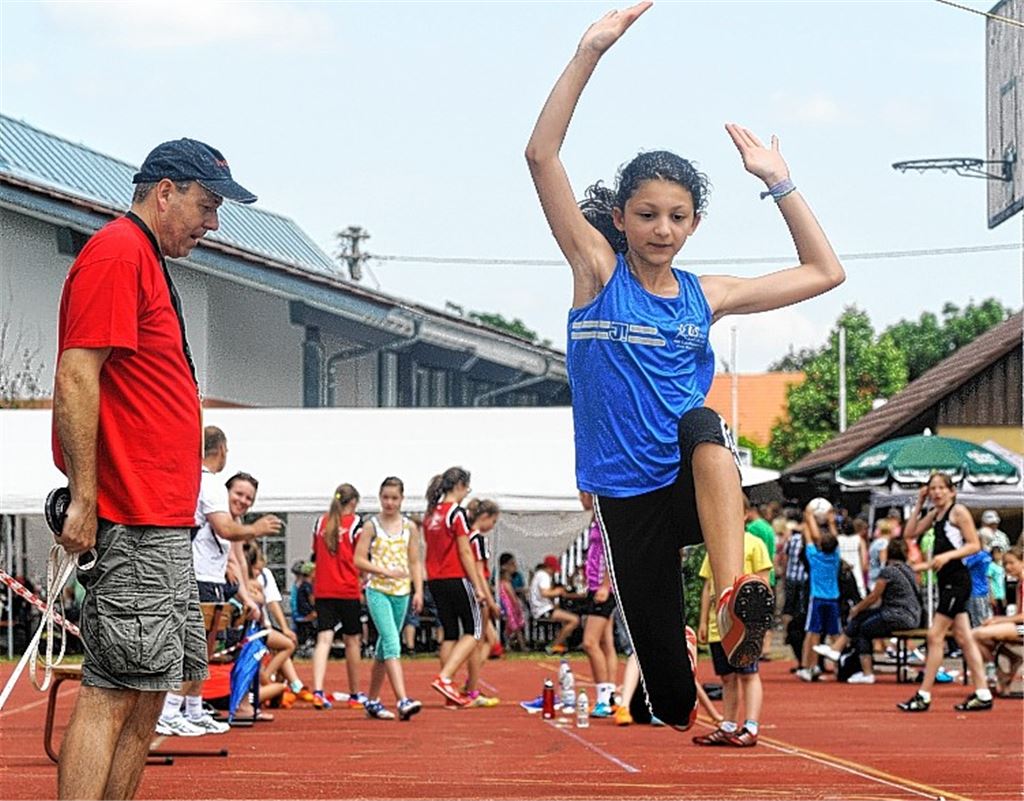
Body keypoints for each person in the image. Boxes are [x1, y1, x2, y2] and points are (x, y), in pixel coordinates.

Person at [525, 1, 844, 729]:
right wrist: (590, 51)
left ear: (694, 221)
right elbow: (541, 157)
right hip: (626, 501)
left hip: (688, 482)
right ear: (621, 219)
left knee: (703, 422)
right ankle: (682, 676)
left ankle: (735, 599)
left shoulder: (709, 295)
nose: (661, 229)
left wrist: (779, 180)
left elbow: (824, 271)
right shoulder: (597, 274)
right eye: (646, 214)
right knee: (671, 705)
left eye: (676, 215)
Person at [51, 137, 256, 799]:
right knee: (113, 690)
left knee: (145, 696)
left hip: (161, 520)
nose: (213, 222)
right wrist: (86, 496)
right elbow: (78, 372)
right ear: (164, 191)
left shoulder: (141, 257)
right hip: (130, 515)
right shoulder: (116, 251)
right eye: (206, 205)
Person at [158, 427, 282, 736]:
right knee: (192, 649)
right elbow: (225, 530)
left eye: (248, 498)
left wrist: (248, 599)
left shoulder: (204, 486)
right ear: (222, 449)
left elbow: (235, 559)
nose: (242, 501)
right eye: (239, 494)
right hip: (196, 578)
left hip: (210, 581)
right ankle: (171, 709)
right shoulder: (209, 485)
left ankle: (194, 708)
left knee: (204, 649)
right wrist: (258, 529)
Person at [898, 473, 994, 712]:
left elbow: (974, 544)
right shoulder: (936, 514)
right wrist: (919, 503)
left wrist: (946, 556)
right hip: (946, 581)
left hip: (958, 582)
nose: (937, 492)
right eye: (933, 488)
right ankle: (982, 692)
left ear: (952, 491)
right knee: (964, 638)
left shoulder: (957, 511)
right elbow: (909, 534)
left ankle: (924, 694)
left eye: (942, 488)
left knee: (934, 636)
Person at [352, 477, 424, 721]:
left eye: (394, 498)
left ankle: (372, 700)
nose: (389, 503)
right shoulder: (371, 526)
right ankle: (403, 699)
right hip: (378, 590)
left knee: (384, 647)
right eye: (385, 498)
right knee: (393, 642)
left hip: (402, 592)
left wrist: (419, 591)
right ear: (380, 498)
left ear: (402, 499)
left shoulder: (410, 528)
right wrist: (383, 571)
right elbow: (358, 559)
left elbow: (414, 560)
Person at [693, 532, 772, 747]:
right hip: (717, 622)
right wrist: (702, 621)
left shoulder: (755, 544)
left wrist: (758, 621)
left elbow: (764, 583)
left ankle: (751, 726)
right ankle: (728, 725)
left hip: (744, 624)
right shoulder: (714, 544)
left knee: (748, 674)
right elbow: (708, 586)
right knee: (727, 677)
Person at [423, 467, 489, 707]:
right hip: (455, 576)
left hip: (435, 579)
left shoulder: (431, 514)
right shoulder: (456, 513)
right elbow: (464, 551)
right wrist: (477, 585)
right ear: (460, 486)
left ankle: (448, 692)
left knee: (450, 632)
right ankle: (445, 677)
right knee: (474, 631)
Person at [813, 537, 921, 684]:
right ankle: (837, 648)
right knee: (863, 617)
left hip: (897, 615)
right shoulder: (908, 570)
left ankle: (867, 672)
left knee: (863, 629)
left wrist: (857, 608)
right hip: (912, 614)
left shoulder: (888, 571)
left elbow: (874, 597)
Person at [310, 483, 367, 711]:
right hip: (347, 589)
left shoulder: (320, 523)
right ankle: (354, 693)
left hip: (324, 588)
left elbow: (315, 555)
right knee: (352, 640)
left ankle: (317, 690)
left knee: (324, 639)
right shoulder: (356, 524)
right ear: (353, 503)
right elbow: (360, 557)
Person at [577, 492, 619, 718]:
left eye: (582, 495)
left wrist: (605, 584)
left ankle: (603, 696)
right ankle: (610, 693)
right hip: (596, 587)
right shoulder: (595, 519)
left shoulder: (604, 520)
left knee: (589, 642)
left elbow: (612, 554)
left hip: (604, 589)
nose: (580, 500)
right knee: (605, 642)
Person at [465, 498, 503, 706]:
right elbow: (480, 573)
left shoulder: (466, 537)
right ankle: (471, 687)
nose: (492, 527)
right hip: (478, 593)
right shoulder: (477, 539)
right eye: (493, 521)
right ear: (485, 517)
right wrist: (489, 600)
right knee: (478, 642)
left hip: (473, 590)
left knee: (490, 641)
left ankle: (470, 682)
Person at [971, 545, 1024, 694]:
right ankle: (1010, 661)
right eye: (1005, 563)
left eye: (1012, 563)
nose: (1008, 567)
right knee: (977, 636)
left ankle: (1000, 670)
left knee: (977, 634)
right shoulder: (1020, 583)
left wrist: (997, 620)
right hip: (1019, 626)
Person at [797, 506, 841, 682]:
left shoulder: (814, 557)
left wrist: (808, 517)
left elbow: (808, 537)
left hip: (817, 599)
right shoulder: (836, 557)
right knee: (835, 634)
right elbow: (835, 540)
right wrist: (831, 522)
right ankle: (840, 666)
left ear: (820, 545)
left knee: (813, 633)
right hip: (833, 599)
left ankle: (811, 667)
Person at [528, 555, 580, 655]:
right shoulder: (544, 576)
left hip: (541, 608)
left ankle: (559, 644)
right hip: (543, 610)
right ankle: (553, 646)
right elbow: (545, 593)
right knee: (574, 620)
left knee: (566, 620)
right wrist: (558, 591)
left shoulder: (538, 574)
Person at [498, 553, 528, 651]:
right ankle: (519, 645)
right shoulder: (506, 584)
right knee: (515, 628)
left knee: (513, 628)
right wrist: (517, 606)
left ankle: (512, 644)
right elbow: (512, 597)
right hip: (509, 609)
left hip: (508, 608)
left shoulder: (502, 583)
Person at [837, 518, 869, 600]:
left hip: (840, 578)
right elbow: (864, 564)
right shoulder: (860, 540)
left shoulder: (837, 540)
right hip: (857, 577)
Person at [867, 518, 892, 590]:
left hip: (876, 578)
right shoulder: (882, 542)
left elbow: (883, 563)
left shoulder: (882, 542)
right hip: (876, 576)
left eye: (876, 527)